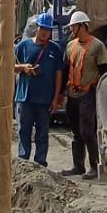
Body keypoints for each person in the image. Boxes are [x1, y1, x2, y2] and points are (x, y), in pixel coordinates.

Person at [62, 10, 107, 178]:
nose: (71, 29)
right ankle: (78, 166)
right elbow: (66, 69)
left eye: (73, 26)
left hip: (88, 94)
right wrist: (62, 93)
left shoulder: (97, 46)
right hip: (72, 94)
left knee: (87, 131)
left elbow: (104, 72)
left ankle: (95, 167)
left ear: (82, 26)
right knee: (76, 132)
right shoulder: (70, 46)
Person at [14, 13, 64, 167]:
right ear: (37, 28)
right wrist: (23, 68)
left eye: (48, 30)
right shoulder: (23, 46)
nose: (45, 33)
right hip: (25, 98)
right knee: (24, 131)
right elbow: (9, 66)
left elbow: (58, 75)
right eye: (43, 29)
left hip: (44, 100)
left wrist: (56, 98)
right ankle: (23, 161)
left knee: (42, 133)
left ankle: (40, 162)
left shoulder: (55, 50)